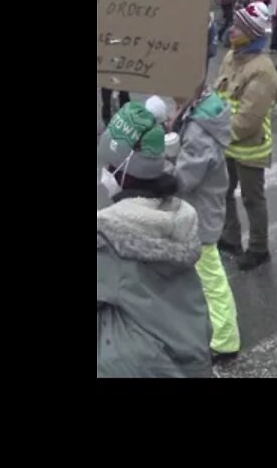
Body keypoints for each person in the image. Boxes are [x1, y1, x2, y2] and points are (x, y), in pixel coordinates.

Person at [97, 102, 213, 377]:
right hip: (193, 356)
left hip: (146, 366)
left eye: (110, 165)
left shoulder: (110, 237)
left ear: (124, 170)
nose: (105, 171)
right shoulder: (176, 217)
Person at [168, 87, 241, 360]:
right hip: (200, 210)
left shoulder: (200, 132)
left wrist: (158, 171)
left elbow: (184, 179)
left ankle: (226, 340)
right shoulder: (201, 109)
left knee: (212, 278)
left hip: (199, 216)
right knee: (198, 274)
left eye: (174, 94)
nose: (172, 99)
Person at [215, 3, 277, 270]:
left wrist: (216, 134)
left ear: (252, 33)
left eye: (240, 27)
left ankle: (258, 248)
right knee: (222, 191)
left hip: (249, 146)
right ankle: (230, 238)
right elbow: (219, 94)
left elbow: (248, 119)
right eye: (234, 24)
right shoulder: (232, 56)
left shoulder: (263, 70)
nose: (232, 30)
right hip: (226, 142)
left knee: (252, 198)